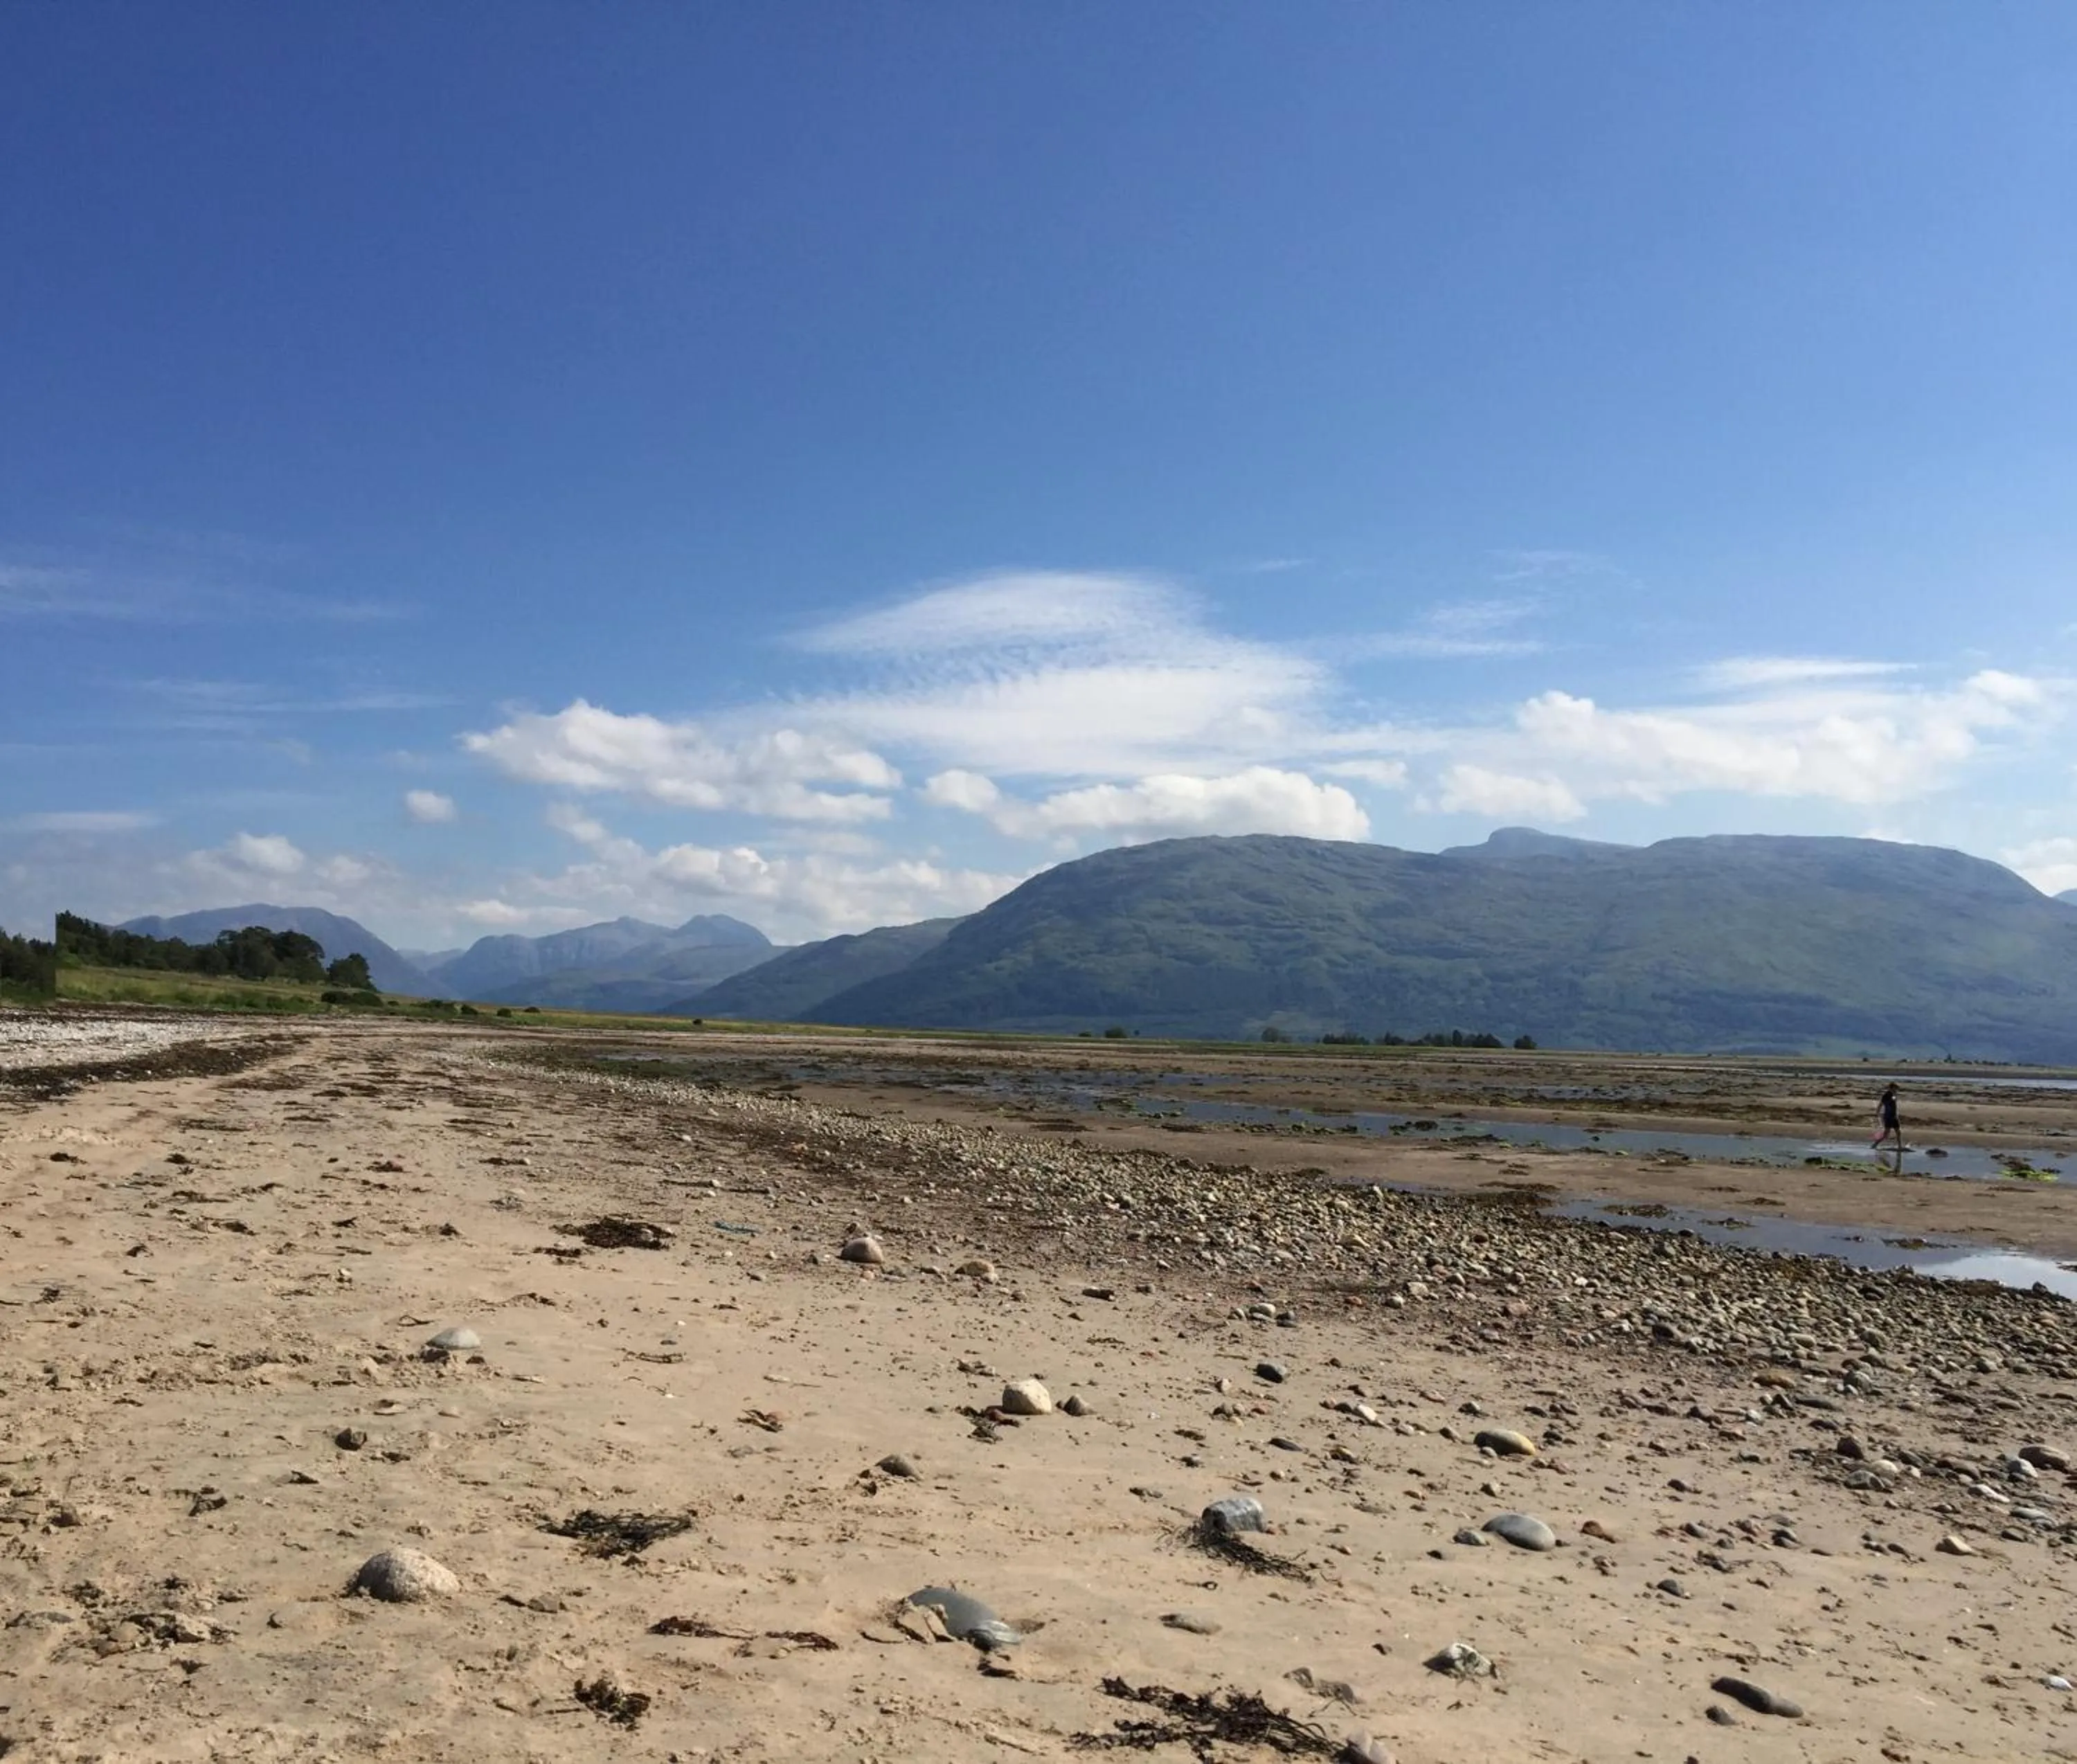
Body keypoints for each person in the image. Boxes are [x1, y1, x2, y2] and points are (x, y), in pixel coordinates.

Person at [1873, 1082, 1903, 1154]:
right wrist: (1878, 1112)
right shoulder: (1886, 1095)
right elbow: (1881, 1104)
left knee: (1898, 1132)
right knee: (1886, 1134)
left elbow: (1893, 1102)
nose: (1897, 1090)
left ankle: (1900, 1147)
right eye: (1896, 1088)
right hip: (1889, 1116)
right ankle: (1875, 1144)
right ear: (1892, 1088)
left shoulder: (1893, 1095)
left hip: (1894, 1116)